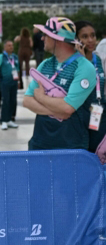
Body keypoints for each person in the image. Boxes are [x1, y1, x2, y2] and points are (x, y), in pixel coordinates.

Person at [23, 17, 96, 150]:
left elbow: (68, 107)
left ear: (57, 39)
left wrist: (41, 98)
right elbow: (27, 100)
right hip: (40, 143)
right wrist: (58, 111)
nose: (42, 38)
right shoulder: (45, 64)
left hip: (70, 146)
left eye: (46, 35)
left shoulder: (84, 67)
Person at [75, 21, 106, 153]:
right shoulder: (73, 62)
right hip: (81, 115)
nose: (90, 40)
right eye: (85, 36)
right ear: (76, 40)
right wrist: (82, 62)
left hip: (99, 113)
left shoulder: (99, 59)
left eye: (93, 35)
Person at [0, 41, 20, 131]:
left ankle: (9, 119)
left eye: (12, 45)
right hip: (4, 82)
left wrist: (19, 81)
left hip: (14, 82)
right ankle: (3, 120)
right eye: (9, 45)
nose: (11, 47)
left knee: (13, 100)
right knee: (6, 100)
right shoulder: (1, 57)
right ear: (5, 47)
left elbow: (17, 69)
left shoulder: (15, 57)